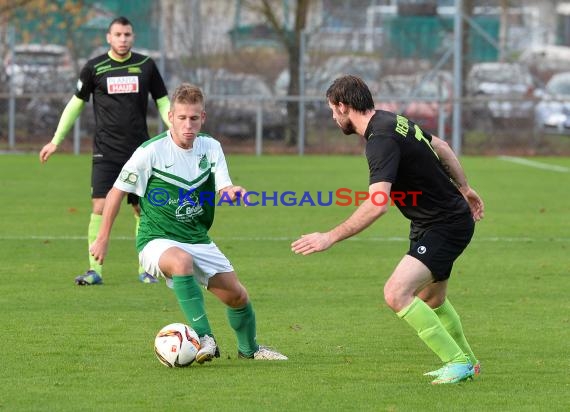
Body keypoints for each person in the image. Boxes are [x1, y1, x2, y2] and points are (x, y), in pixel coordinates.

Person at [291, 75, 484, 384]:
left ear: (343, 106)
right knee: (432, 300)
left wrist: (330, 236)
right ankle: (469, 363)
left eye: (332, 110)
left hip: (444, 225)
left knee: (396, 293)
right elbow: (443, 146)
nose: (332, 117)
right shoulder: (391, 119)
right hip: (434, 221)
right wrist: (465, 187)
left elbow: (377, 203)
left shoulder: (379, 140)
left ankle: (456, 361)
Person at [89, 83, 288, 363]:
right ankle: (205, 338)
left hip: (197, 238)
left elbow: (223, 186)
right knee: (180, 261)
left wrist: (231, 191)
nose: (188, 125)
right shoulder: (151, 152)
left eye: (194, 118)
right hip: (156, 240)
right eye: (182, 118)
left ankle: (250, 351)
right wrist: (102, 237)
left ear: (203, 117)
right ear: (170, 116)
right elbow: (116, 192)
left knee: (237, 297)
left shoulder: (210, 147)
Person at [39, 16, 170, 286]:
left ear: (133, 37)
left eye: (127, 35)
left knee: (141, 210)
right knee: (99, 206)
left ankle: (146, 269)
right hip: (106, 151)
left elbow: (163, 102)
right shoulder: (94, 67)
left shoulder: (146, 66)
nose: (123, 39)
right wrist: (56, 139)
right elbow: (75, 104)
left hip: (140, 152)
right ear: (108, 37)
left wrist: (178, 130)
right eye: (118, 35)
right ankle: (94, 270)